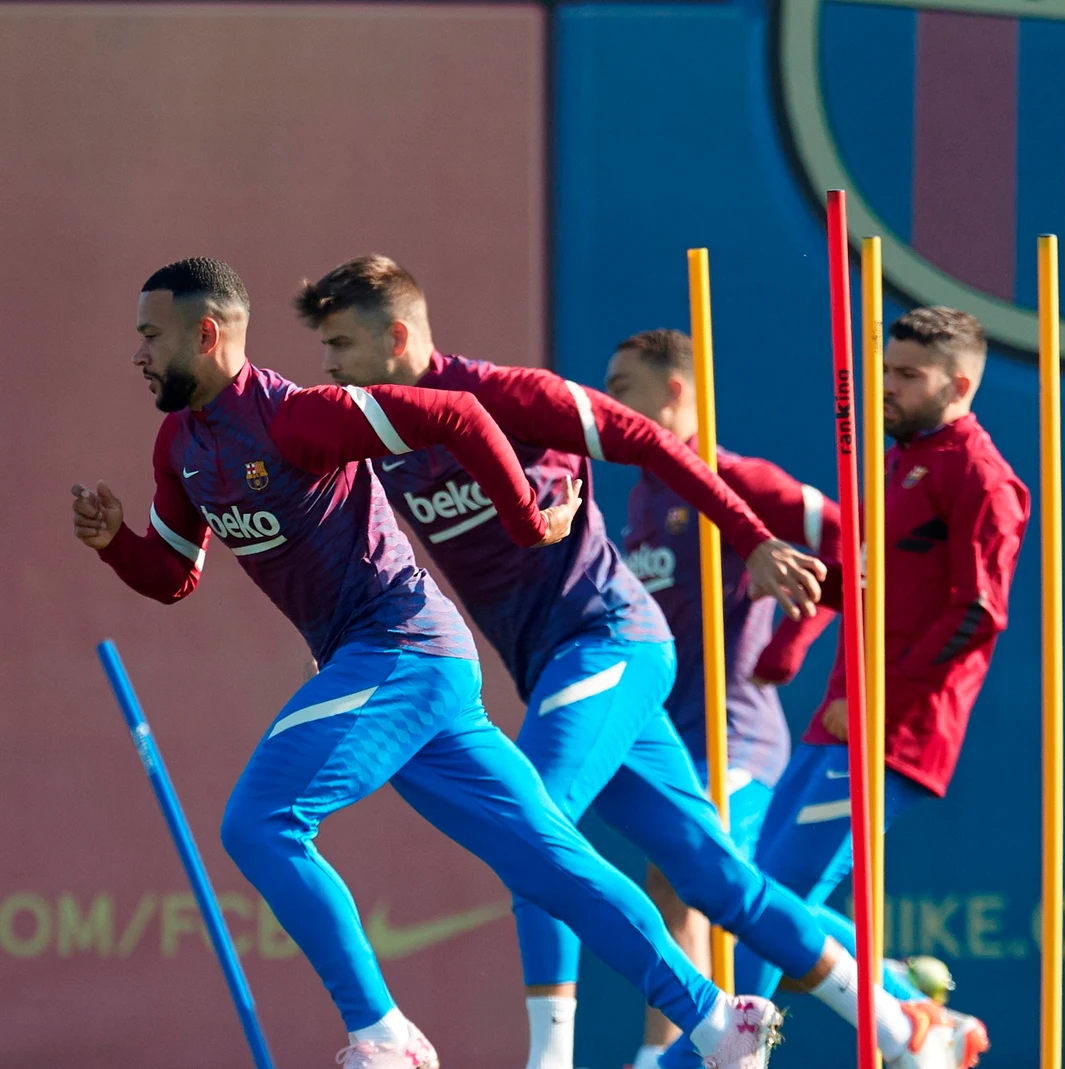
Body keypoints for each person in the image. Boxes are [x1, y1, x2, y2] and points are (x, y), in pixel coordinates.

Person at [70, 258, 779, 1069]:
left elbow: (461, 415)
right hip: (407, 669)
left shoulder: (302, 418)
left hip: (400, 645)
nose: (139, 355)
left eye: (150, 336)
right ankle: (721, 1020)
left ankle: (385, 1034)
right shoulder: (179, 445)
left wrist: (525, 520)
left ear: (206, 334)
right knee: (548, 860)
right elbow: (173, 574)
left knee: (259, 822)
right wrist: (115, 544)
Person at [296, 256, 976, 1069]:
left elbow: (654, 442)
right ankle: (901, 1025)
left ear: (397, 337)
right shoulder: (377, 440)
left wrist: (756, 542)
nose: (329, 366)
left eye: (340, 344)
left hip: (613, 638)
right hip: (557, 669)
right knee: (714, 877)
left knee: (531, 818)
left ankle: (553, 1058)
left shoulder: (511, 397)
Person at [609, 329, 945, 1069]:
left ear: (673, 392)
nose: (609, 403)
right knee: (687, 882)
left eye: (622, 386)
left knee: (699, 871)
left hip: (737, 735)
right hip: (671, 733)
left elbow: (854, 541)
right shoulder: (641, 496)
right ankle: (891, 984)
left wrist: (790, 642)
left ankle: (686, 1047)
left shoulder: (731, 475)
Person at [735, 308, 1028, 1067]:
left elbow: (978, 612)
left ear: (959, 384)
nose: (886, 389)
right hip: (839, 720)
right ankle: (907, 999)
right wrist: (800, 616)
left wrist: (879, 696)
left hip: (892, 729)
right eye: (884, 372)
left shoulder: (981, 476)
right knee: (750, 893)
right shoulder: (898, 460)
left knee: (767, 899)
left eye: (907, 376)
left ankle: (733, 1050)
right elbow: (872, 577)